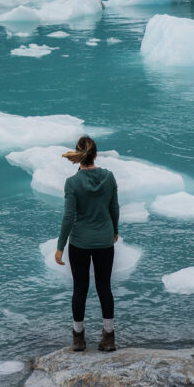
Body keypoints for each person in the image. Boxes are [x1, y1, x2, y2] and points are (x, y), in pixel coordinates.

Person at [54, 135, 119, 352]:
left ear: (78, 154)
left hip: (80, 243)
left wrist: (60, 246)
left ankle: (78, 338)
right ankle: (109, 336)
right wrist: (115, 231)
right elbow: (114, 208)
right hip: (104, 241)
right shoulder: (109, 177)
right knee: (104, 287)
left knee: (79, 289)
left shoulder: (72, 182)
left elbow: (68, 217)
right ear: (96, 154)